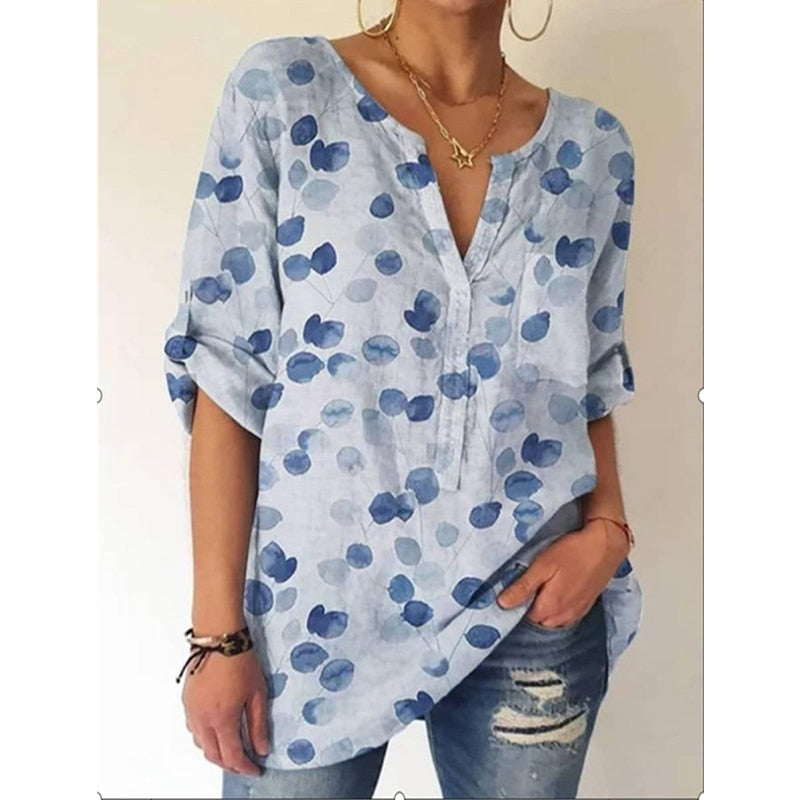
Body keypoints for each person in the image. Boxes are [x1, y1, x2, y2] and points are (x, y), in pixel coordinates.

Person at [162, 0, 644, 797]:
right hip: (316, 615)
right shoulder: (284, 91)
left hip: (530, 608)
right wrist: (217, 636)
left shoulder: (595, 149)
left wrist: (608, 530)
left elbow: (589, 375)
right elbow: (227, 367)